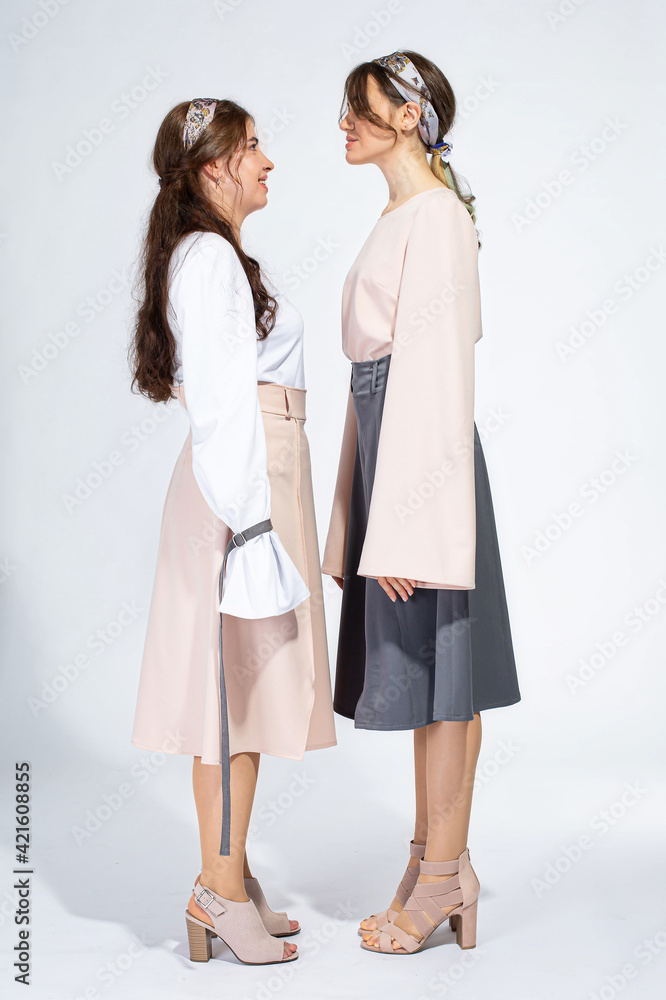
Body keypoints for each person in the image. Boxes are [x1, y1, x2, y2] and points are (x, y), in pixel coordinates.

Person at [322, 51, 521, 955]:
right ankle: (432, 861)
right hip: (395, 459)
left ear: (409, 116)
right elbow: (374, 378)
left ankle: (443, 875)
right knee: (436, 679)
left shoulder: (436, 215)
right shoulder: (408, 213)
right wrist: (358, 515)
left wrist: (404, 522)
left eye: (359, 108)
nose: (344, 123)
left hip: (423, 468)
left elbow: (436, 375)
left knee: (448, 681)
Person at [129, 98, 336, 966]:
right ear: (213, 167)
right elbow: (221, 407)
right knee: (233, 704)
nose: (267, 160)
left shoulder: (211, 253)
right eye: (252, 146)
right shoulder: (209, 257)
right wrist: (250, 530)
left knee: (244, 697)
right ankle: (217, 889)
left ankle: (232, 875)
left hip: (258, 477)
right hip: (242, 491)